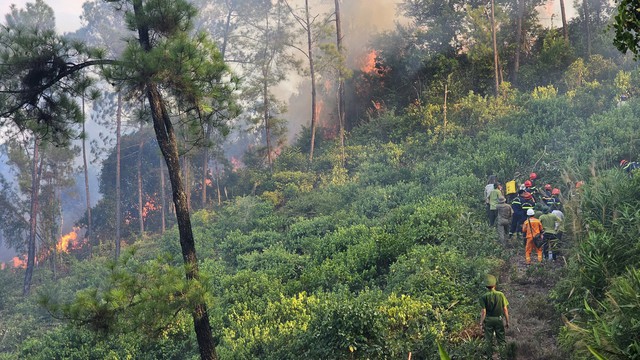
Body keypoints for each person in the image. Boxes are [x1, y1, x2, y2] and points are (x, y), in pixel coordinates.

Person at [479, 274, 510, 357]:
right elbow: (505, 309)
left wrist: (481, 323)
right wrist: (507, 321)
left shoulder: (483, 297)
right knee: (501, 341)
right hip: (499, 319)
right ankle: (503, 357)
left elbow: (483, 312)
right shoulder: (500, 295)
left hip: (488, 320)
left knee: (488, 340)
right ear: (495, 284)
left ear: (486, 286)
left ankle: (489, 357)